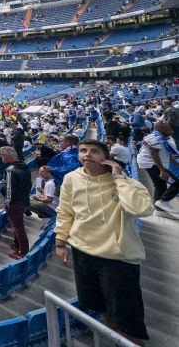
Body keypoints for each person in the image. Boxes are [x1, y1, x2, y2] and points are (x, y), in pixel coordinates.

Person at [55, 139, 153, 343]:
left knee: (127, 317)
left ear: (106, 157)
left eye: (94, 151)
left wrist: (119, 178)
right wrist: (60, 242)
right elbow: (65, 212)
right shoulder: (71, 179)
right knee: (102, 307)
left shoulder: (125, 182)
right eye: (83, 151)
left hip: (117, 257)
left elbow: (141, 209)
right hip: (83, 253)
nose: (87, 154)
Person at [1, 146, 31, 258]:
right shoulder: (24, 165)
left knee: (18, 227)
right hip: (23, 200)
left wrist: (7, 202)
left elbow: (9, 189)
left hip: (14, 203)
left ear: (9, 156)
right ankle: (17, 245)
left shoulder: (10, 170)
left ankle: (23, 252)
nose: (1, 157)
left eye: (2, 155)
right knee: (17, 226)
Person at [138, 122, 171, 202]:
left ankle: (159, 205)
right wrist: (162, 171)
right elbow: (154, 154)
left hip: (147, 162)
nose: (170, 131)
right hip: (150, 163)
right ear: (160, 129)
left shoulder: (156, 136)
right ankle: (160, 205)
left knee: (159, 185)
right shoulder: (155, 138)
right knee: (164, 184)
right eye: (168, 129)